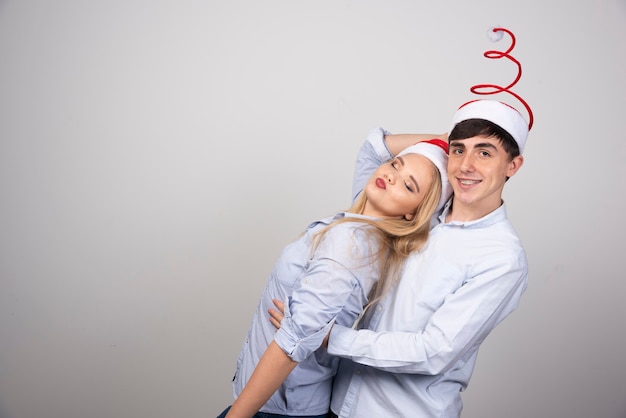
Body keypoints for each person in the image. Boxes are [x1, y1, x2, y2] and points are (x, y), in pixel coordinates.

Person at [293, 99, 529, 417]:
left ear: (513, 165)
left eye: (484, 153)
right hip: (338, 405)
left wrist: (328, 336)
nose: (466, 166)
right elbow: (374, 150)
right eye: (458, 150)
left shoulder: (502, 257)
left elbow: (433, 351)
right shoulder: (416, 212)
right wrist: (444, 138)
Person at [217, 134, 452, 418]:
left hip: (276, 408)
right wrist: (451, 139)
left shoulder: (351, 243)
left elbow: (293, 343)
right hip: (278, 404)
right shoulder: (365, 220)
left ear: (413, 213)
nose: (391, 176)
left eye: (408, 185)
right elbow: (373, 149)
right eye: (395, 165)